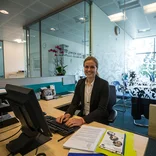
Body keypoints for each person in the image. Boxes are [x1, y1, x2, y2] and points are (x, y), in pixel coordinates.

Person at [56, 56, 110, 127]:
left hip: (97, 119)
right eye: (86, 67)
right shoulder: (80, 83)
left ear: (96, 69)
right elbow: (74, 103)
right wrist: (68, 114)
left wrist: (82, 120)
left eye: (92, 67)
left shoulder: (104, 84)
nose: (89, 69)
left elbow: (101, 109)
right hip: (82, 116)